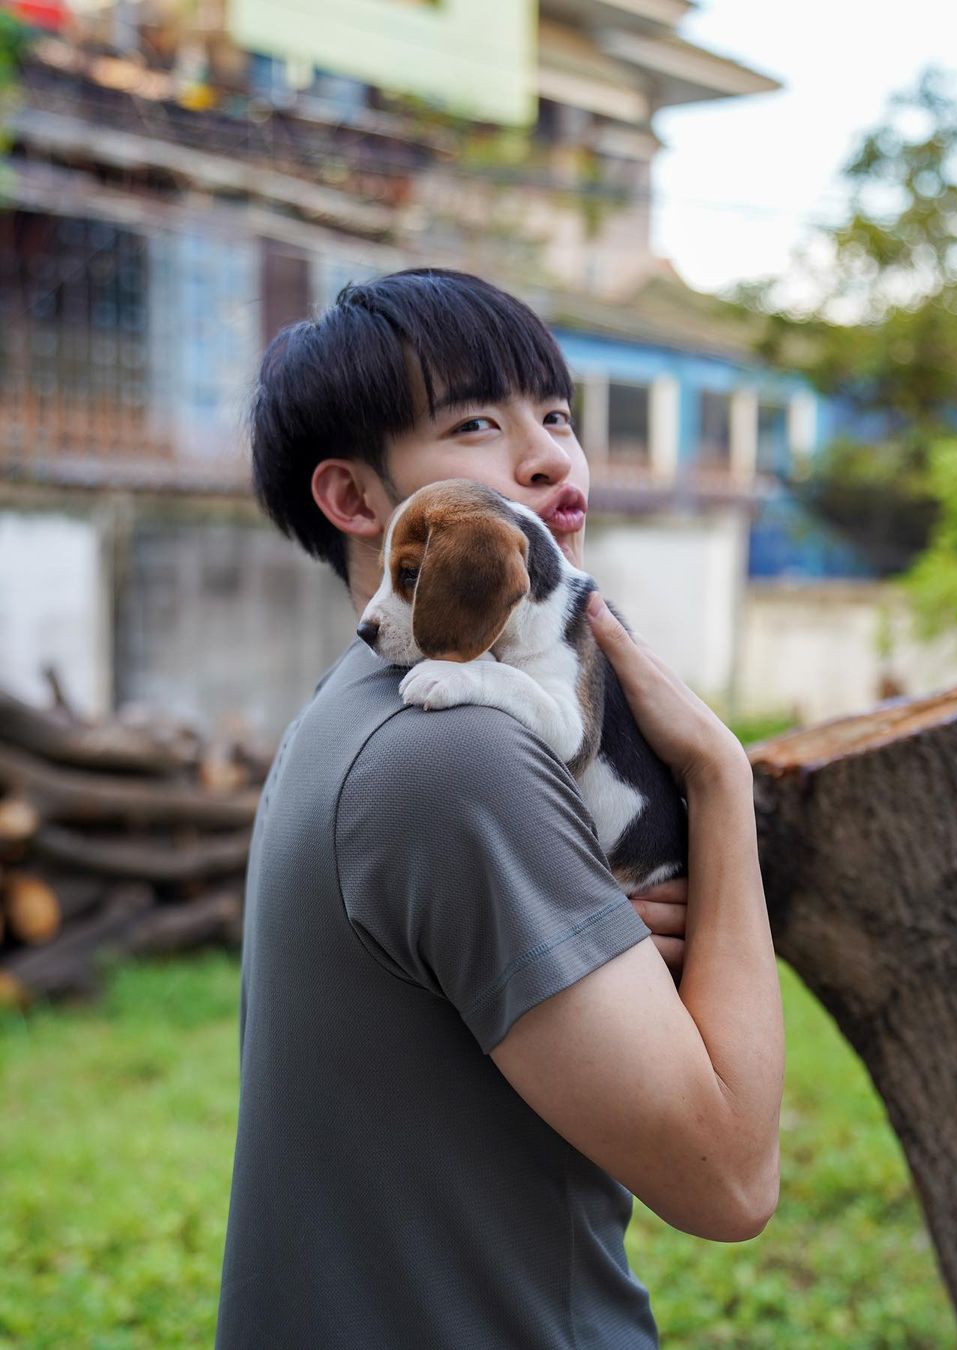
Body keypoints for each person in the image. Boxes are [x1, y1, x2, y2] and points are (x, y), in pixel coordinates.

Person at [214, 268, 785, 1349]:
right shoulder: (459, 754)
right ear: (353, 499)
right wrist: (720, 782)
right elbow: (733, 1178)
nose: (550, 457)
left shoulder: (349, 715)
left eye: (556, 415)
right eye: (478, 421)